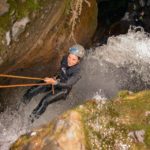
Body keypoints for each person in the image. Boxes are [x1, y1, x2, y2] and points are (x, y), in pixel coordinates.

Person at [21, 44, 85, 122]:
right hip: (57, 79)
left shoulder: (78, 72)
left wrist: (54, 82)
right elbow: (61, 70)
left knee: (45, 101)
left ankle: (28, 122)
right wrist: (55, 77)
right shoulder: (65, 59)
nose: (70, 61)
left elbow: (68, 84)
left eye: (73, 59)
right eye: (69, 57)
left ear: (78, 60)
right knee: (34, 89)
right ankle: (20, 108)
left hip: (63, 89)